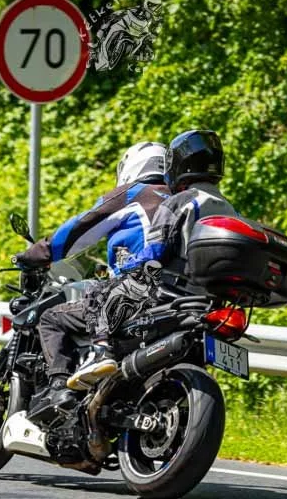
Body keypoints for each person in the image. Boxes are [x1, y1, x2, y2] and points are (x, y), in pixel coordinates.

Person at [67, 129, 241, 390]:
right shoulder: (229, 209)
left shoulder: (180, 201)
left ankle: (101, 352)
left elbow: (156, 250)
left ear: (178, 165)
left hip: (169, 290)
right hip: (208, 299)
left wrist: (129, 265)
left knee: (98, 293)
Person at [13, 142, 172, 411]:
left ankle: (59, 391)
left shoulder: (133, 194)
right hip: (176, 295)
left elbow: (80, 228)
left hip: (134, 292)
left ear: (132, 166)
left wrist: (38, 253)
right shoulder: (183, 199)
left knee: (51, 319)